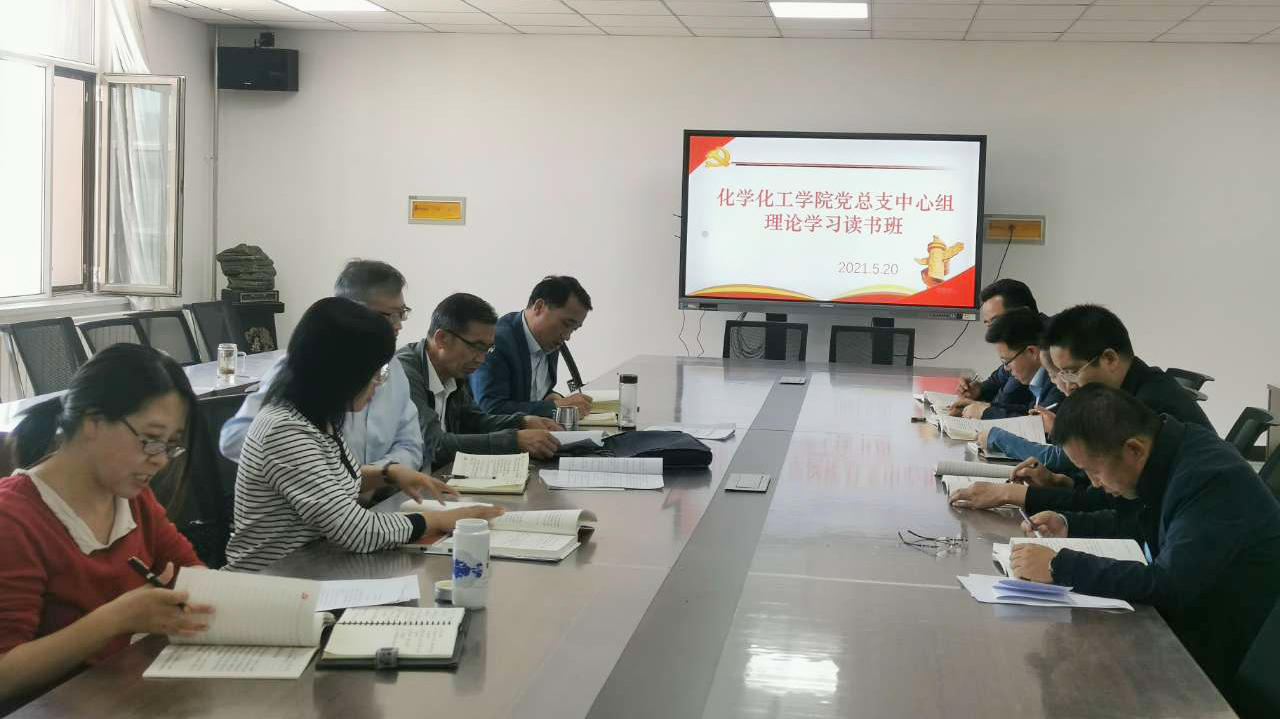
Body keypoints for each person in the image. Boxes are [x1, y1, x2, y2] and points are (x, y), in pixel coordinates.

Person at [1009, 384, 1280, 699]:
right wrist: (1068, 524)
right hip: (1199, 622)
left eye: (1094, 471)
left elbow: (1169, 585)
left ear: (1134, 450)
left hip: (1226, 658)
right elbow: (1138, 522)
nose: (1095, 484)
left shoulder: (1210, 479)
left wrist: (1060, 565)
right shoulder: (1172, 451)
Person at [0, 345, 212, 706]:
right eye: (150, 440)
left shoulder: (131, 496)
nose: (160, 461)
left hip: (127, 695)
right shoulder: (13, 518)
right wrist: (118, 618)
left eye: (170, 446)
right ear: (92, 422)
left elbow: (193, 575)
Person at [224, 298, 502, 572]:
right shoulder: (285, 430)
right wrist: (440, 520)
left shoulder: (318, 418)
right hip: (271, 579)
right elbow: (355, 531)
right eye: (375, 372)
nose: (379, 383)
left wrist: (388, 473)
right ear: (341, 371)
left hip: (314, 565)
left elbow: (332, 483)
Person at [221, 260, 449, 504]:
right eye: (388, 315)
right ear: (350, 313)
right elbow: (234, 439)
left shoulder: (393, 369)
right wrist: (315, 471)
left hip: (375, 501)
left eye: (402, 313)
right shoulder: (301, 368)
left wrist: (374, 477)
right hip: (314, 508)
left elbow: (411, 445)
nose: (398, 324)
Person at [951, 304, 1214, 513]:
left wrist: (1016, 494)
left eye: (1071, 372)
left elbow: (1120, 507)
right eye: (1059, 374)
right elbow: (1105, 488)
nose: (1067, 386)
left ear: (1109, 359)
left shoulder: (1147, 407)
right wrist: (1061, 483)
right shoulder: (1131, 390)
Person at [397, 293, 563, 469]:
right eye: (476, 347)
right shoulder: (404, 373)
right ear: (442, 339)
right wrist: (514, 441)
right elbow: (434, 445)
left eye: (487, 349)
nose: (481, 359)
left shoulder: (452, 369)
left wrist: (522, 421)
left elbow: (472, 421)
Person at [470, 275, 595, 418]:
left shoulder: (549, 339)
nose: (567, 336)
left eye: (573, 329)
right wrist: (555, 406)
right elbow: (490, 409)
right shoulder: (497, 342)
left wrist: (552, 396)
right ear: (539, 307)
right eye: (566, 324)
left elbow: (531, 394)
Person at [951, 279, 1041, 419]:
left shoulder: (1047, 350)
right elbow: (999, 378)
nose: (993, 332)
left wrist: (985, 410)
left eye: (997, 322)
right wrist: (978, 390)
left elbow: (1007, 401)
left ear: (1022, 313)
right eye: (989, 325)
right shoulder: (1017, 349)